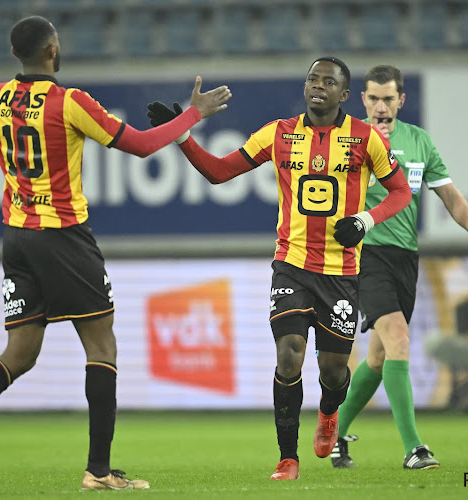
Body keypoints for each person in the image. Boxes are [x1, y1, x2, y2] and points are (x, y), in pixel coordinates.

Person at [0, 15, 231, 492]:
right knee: (101, 346)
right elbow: (144, 146)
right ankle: (100, 471)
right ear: (52, 50)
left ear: (14, 55)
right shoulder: (70, 102)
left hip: (16, 237)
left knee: (19, 353)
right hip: (64, 235)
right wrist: (192, 116)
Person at [146, 57, 412, 480]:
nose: (317, 85)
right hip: (291, 264)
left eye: (328, 81)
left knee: (333, 370)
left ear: (345, 95)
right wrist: (181, 136)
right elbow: (219, 172)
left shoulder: (365, 139)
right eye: (312, 78)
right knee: (289, 354)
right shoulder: (279, 133)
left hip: (341, 271)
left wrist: (365, 220)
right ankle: (288, 457)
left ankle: (329, 414)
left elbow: (401, 193)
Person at [328, 65, 468, 471]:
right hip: (364, 253)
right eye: (373, 98)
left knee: (381, 357)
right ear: (362, 100)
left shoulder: (419, 141)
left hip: (405, 255)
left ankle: (334, 432)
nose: (381, 107)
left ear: (401, 100)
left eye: (389, 99)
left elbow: (449, 194)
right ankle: (414, 448)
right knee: (398, 338)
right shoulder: (345, 139)